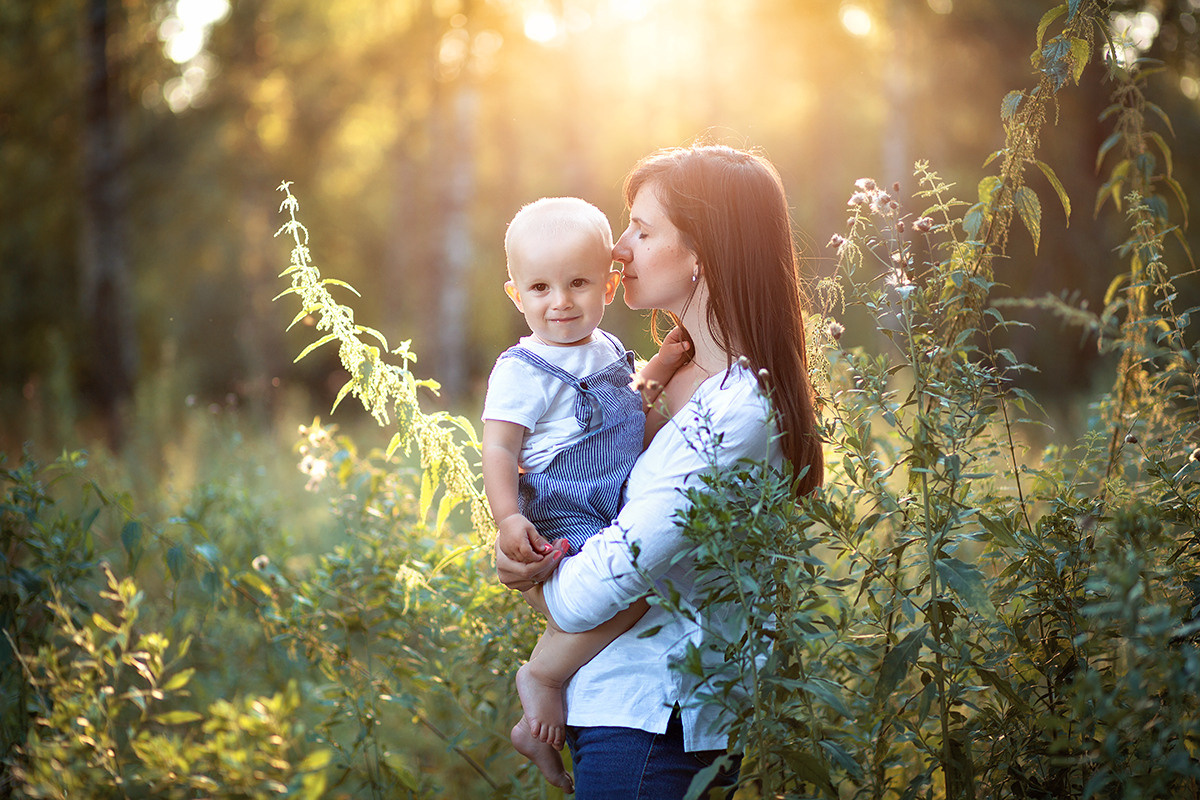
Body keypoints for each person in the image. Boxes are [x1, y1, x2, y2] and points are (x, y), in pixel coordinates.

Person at [495, 144, 825, 799]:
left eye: (643, 232)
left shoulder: (738, 411)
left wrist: (528, 580)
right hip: (611, 708)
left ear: (703, 252)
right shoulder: (659, 379)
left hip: (656, 722)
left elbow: (599, 587)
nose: (618, 249)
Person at [481, 196, 688, 793]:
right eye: (540, 288)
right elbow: (498, 450)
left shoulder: (610, 353)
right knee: (635, 590)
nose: (561, 302)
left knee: (634, 588)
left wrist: (668, 362)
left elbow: (635, 407)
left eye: (577, 282)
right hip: (563, 510)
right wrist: (507, 519)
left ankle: (544, 725)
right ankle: (543, 678)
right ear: (516, 295)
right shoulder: (524, 369)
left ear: (609, 281)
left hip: (611, 500)